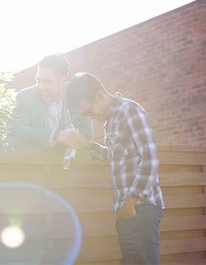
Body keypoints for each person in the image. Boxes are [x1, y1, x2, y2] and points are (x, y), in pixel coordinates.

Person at [65, 72, 165, 265]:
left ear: (100, 96)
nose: (91, 117)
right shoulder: (111, 122)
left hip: (139, 208)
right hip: (127, 212)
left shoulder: (130, 111)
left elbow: (150, 158)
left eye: (90, 112)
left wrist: (131, 202)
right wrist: (88, 146)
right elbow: (115, 157)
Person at [9, 54, 93, 150]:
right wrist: (56, 135)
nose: (41, 87)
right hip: (35, 161)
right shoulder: (25, 97)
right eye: (38, 80)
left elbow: (86, 131)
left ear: (63, 80)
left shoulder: (76, 95)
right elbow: (15, 130)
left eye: (47, 82)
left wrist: (74, 138)